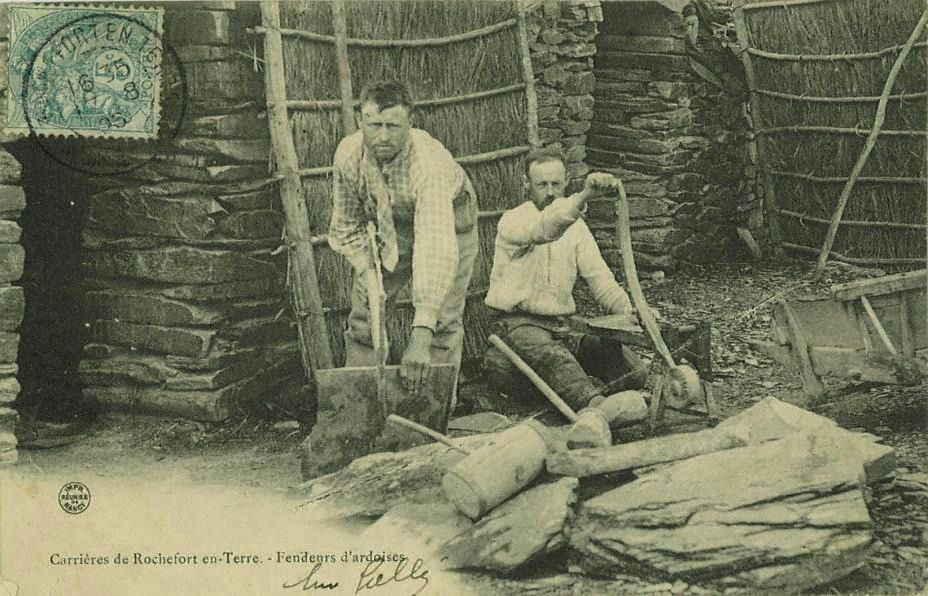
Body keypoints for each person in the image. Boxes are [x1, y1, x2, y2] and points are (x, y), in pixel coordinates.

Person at [328, 81, 478, 400]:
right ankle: (363, 402)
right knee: (366, 313)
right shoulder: (348, 155)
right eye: (375, 125)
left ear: (410, 122)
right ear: (360, 121)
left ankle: (430, 408)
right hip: (391, 223)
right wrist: (370, 279)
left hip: (450, 221)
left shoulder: (428, 166)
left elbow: (435, 248)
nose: (383, 136)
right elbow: (347, 226)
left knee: (442, 321)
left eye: (393, 126)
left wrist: (420, 337)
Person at [483, 149, 647, 413]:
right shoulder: (513, 221)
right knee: (555, 359)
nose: (549, 192)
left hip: (562, 327)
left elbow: (601, 281)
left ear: (567, 181)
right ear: (526, 184)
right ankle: (596, 410)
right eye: (541, 184)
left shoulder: (577, 228)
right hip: (517, 325)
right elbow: (546, 229)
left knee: (632, 371)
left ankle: (611, 401)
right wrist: (584, 195)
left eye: (556, 184)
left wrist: (633, 312)